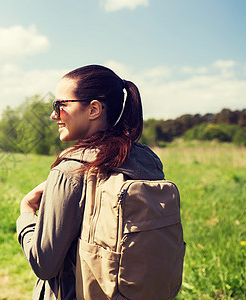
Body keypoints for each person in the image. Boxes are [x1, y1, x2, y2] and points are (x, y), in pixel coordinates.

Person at [16, 65, 166, 299]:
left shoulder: (69, 170)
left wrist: (26, 213)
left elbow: (44, 264)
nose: (53, 115)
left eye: (60, 105)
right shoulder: (148, 162)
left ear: (94, 109)